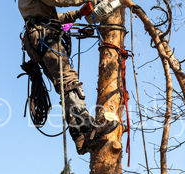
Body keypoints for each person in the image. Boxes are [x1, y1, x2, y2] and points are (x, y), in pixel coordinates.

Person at [18, 0, 118, 154]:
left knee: (63, 86)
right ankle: (88, 128)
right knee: (68, 80)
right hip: (44, 37)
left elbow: (52, 16)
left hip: (38, 38)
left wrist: (78, 13)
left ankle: (80, 137)